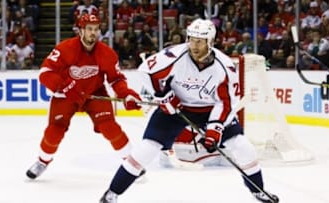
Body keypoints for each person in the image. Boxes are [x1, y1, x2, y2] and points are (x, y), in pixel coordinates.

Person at [99, 18, 279, 203]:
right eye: (191, 39)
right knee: (146, 150)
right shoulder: (174, 56)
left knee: (243, 147)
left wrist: (214, 129)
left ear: (211, 41)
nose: (194, 45)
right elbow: (146, 71)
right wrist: (163, 95)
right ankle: (112, 193)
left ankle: (258, 191)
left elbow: (226, 102)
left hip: (210, 110)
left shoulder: (225, 68)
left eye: (199, 41)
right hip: (175, 110)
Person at [25, 14, 142, 180]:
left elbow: (116, 79)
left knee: (110, 127)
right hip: (66, 95)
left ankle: (132, 164)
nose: (93, 33)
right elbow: (45, 73)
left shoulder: (106, 53)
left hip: (95, 94)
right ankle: (42, 161)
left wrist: (126, 94)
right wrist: (65, 86)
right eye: (89, 29)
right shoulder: (65, 48)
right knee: (54, 131)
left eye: (95, 29)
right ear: (81, 30)